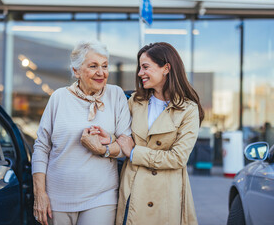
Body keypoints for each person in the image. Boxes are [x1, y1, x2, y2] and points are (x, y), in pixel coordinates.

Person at [31, 40, 132, 225]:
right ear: (76, 71)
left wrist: (104, 149)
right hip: (57, 198)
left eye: (104, 66)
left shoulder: (116, 95)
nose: (101, 72)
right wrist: (40, 194)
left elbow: (127, 142)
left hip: (102, 196)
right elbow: (41, 147)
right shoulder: (59, 98)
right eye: (93, 66)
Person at [115, 42, 205, 225]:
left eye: (145, 67)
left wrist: (134, 153)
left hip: (165, 194)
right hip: (134, 189)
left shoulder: (188, 109)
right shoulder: (134, 102)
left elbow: (178, 158)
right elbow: (120, 135)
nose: (140, 73)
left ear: (166, 68)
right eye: (139, 68)